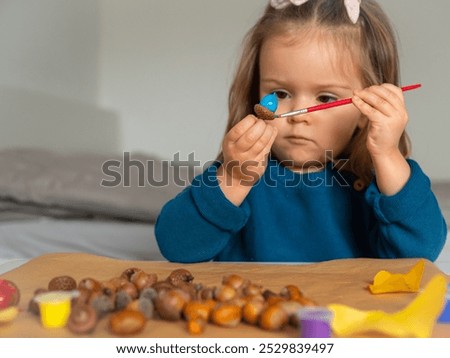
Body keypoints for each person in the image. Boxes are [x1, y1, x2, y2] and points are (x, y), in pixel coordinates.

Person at [155, 0, 447, 263]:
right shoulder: (241, 172)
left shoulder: (375, 185)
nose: (299, 116)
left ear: (366, 109)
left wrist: (388, 155)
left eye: (326, 98)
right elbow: (176, 246)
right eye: (280, 93)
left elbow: (421, 253)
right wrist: (232, 178)